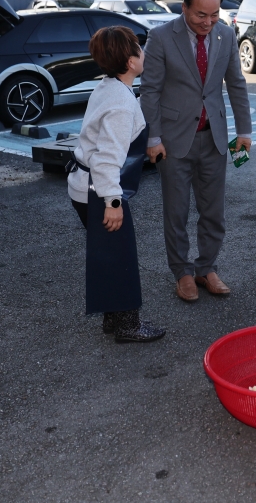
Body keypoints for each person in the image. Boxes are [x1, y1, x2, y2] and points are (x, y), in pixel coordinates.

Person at [139, 0, 253, 303]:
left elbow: (236, 85)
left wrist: (243, 132)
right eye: (200, 14)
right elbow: (150, 92)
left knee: (213, 211)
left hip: (214, 137)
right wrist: (153, 137)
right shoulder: (161, 37)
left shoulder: (225, 34)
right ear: (184, 7)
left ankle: (206, 267)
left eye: (214, 14)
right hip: (173, 142)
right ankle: (183, 272)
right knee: (176, 213)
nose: (208, 22)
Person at [67, 26, 164, 343]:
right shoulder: (121, 103)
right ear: (130, 58)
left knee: (109, 255)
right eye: (139, 46)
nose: (143, 51)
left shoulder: (109, 87)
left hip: (87, 184)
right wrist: (113, 203)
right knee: (120, 256)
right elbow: (108, 159)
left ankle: (114, 320)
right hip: (99, 189)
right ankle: (126, 325)